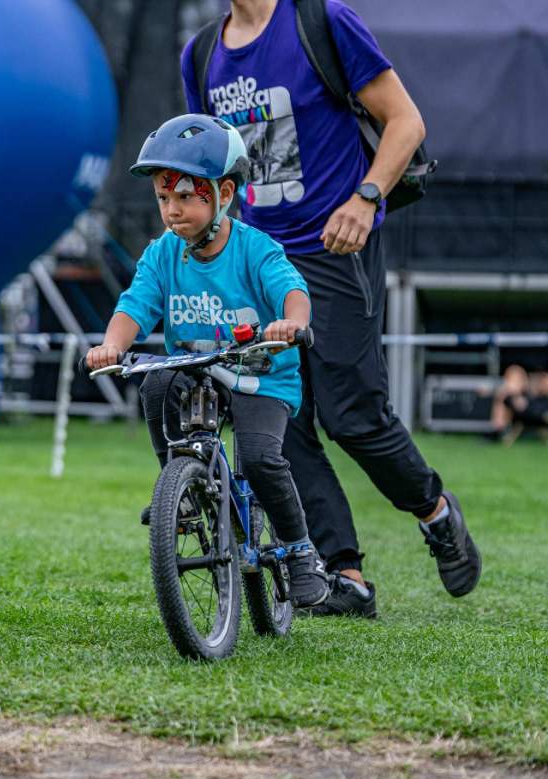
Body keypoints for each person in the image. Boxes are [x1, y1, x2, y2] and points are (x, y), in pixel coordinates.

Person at [180, 0, 481, 616]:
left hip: (333, 245)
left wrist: (366, 199)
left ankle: (435, 511)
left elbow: (405, 121)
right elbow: (206, 163)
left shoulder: (322, 21)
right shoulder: (202, 53)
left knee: (352, 415)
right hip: (258, 259)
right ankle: (345, 575)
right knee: (279, 422)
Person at [86, 113, 329, 608]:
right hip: (199, 374)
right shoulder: (162, 255)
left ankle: (301, 552)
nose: (171, 210)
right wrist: (112, 343)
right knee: (156, 383)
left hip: (261, 378)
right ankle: (174, 490)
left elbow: (292, 291)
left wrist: (290, 322)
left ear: (223, 195)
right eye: (162, 198)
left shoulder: (254, 250)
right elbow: (135, 305)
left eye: (184, 197)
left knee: (261, 458)